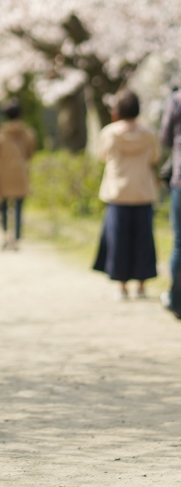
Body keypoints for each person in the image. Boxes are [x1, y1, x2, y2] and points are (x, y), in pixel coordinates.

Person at [93, 90, 159, 299]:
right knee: (143, 241)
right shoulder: (149, 133)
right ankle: (141, 286)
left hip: (117, 193)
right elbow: (155, 157)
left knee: (118, 241)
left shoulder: (110, 133)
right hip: (142, 191)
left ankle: (122, 287)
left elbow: (101, 156)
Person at [0, 100, 36, 250]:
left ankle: (5, 235)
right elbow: (31, 151)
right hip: (21, 171)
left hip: (4, 171)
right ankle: (16, 238)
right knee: (18, 206)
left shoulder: (0, 133)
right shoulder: (27, 132)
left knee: (4, 205)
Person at [159, 87, 181, 317]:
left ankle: (176, 302)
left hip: (180, 181)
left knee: (179, 244)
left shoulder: (177, 99)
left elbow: (164, 138)